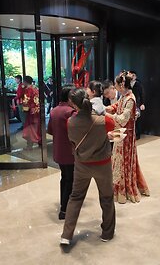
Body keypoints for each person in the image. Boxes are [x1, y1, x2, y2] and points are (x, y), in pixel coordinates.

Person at [60, 88, 116, 245]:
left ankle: (66, 235)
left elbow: (73, 142)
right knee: (106, 198)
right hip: (102, 165)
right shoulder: (104, 121)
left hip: (82, 165)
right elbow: (111, 128)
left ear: (73, 104)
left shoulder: (70, 122)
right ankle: (107, 233)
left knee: (76, 197)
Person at [106, 71, 150, 203]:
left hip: (126, 134)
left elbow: (122, 119)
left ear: (122, 85)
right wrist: (107, 108)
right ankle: (118, 187)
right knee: (117, 160)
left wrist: (107, 114)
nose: (115, 86)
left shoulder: (130, 99)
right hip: (120, 133)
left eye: (116, 84)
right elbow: (116, 107)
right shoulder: (123, 96)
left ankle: (124, 189)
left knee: (123, 161)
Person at [47, 85, 76, 220]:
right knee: (70, 179)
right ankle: (64, 210)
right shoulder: (71, 112)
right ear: (70, 97)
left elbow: (50, 131)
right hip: (70, 153)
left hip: (58, 152)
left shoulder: (54, 111)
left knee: (64, 178)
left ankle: (63, 205)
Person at [20, 76, 41, 149]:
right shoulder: (35, 88)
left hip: (31, 111)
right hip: (37, 110)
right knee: (37, 126)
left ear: (25, 81)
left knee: (29, 128)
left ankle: (29, 145)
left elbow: (26, 101)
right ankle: (40, 141)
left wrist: (24, 110)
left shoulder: (28, 89)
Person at [128, 70, 145, 139]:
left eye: (132, 75)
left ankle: (137, 134)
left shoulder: (138, 84)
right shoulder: (128, 84)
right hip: (130, 103)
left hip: (137, 103)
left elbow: (142, 94)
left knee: (137, 119)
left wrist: (142, 103)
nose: (131, 76)